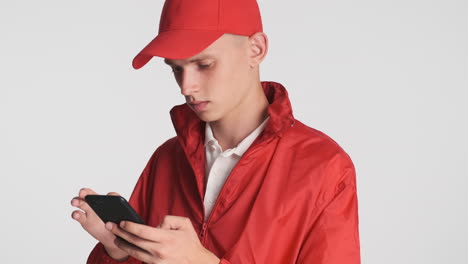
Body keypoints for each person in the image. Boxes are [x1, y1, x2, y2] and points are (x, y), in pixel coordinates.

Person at [71, 0, 361, 263]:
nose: (187, 87)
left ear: (256, 49)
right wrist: (119, 253)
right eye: (176, 69)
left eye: (204, 64)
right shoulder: (168, 158)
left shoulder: (323, 167)